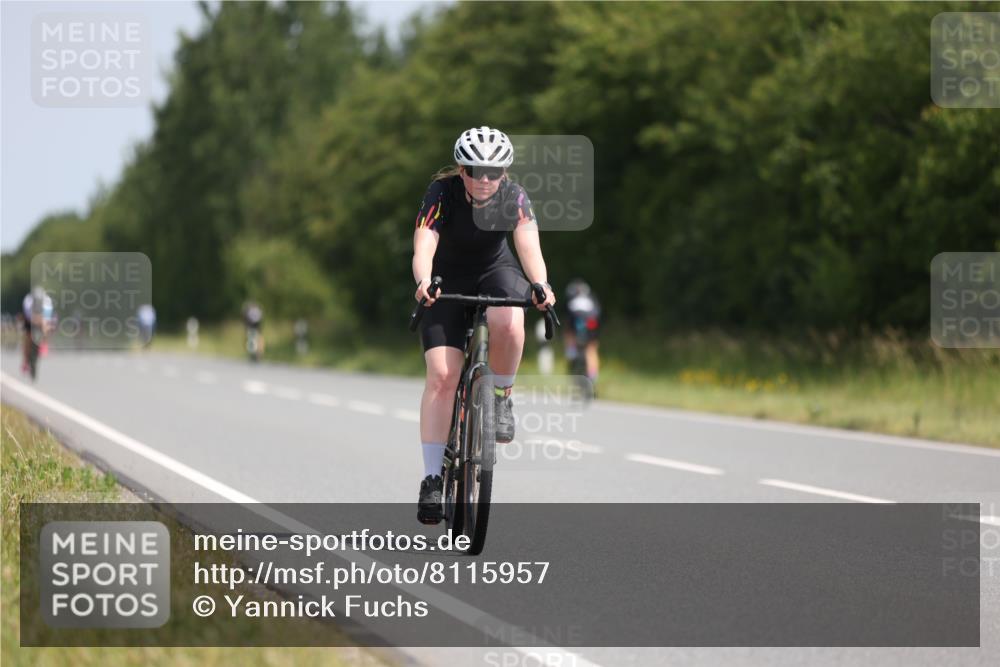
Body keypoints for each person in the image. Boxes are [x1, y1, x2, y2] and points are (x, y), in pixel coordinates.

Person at [412, 126, 556, 524]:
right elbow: (424, 242)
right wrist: (424, 281)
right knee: (442, 376)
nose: (486, 179)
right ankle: (431, 479)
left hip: (495, 271)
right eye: (476, 171)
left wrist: (541, 284)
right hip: (445, 280)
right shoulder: (441, 193)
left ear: (504, 173)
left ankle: (501, 395)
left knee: (510, 319)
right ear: (462, 171)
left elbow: (528, 244)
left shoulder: (515, 196)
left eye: (494, 172)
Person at [563, 279, 602, 391]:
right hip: (592, 321)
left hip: (576, 320)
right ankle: (593, 377)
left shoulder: (571, 298)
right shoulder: (591, 297)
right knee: (591, 349)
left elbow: (567, 317)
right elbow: (598, 312)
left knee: (569, 332)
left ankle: (571, 352)